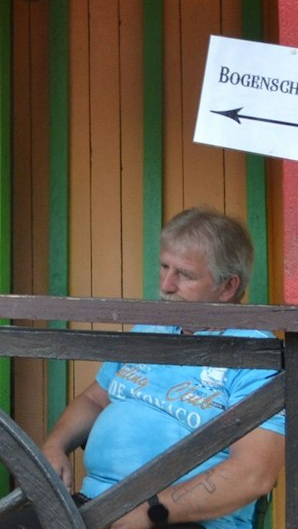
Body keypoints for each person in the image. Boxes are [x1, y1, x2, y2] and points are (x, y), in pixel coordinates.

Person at [39, 208, 285, 529]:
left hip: (181, 521)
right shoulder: (150, 330)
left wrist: (152, 511)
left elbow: (254, 474)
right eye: (164, 267)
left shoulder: (256, 355)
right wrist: (54, 446)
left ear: (228, 287)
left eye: (185, 275)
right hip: (93, 507)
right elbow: (95, 400)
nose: (166, 285)